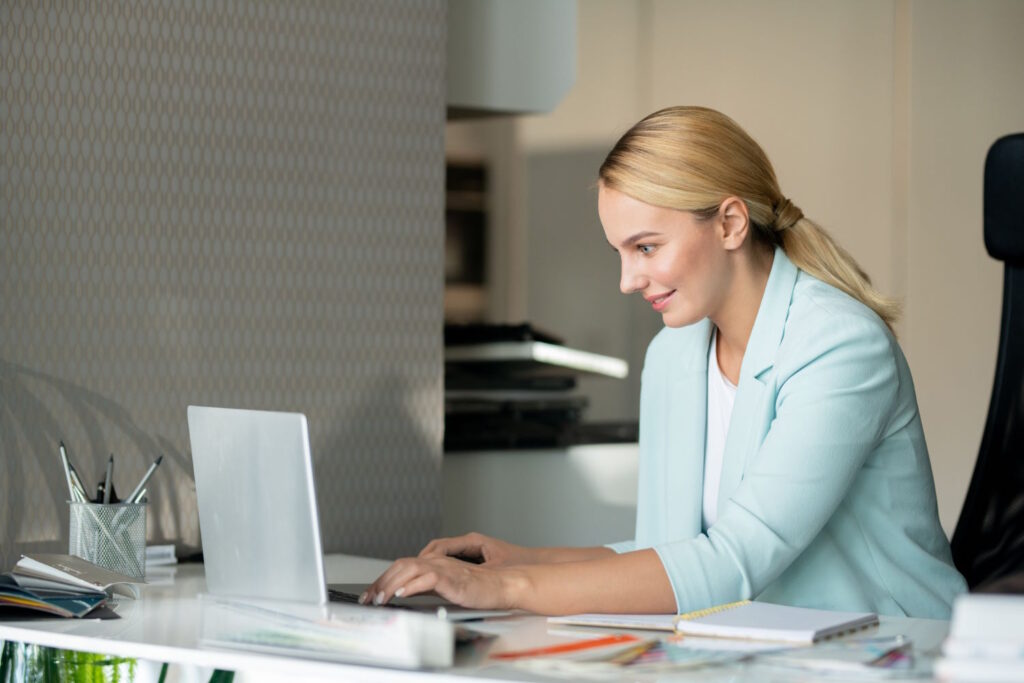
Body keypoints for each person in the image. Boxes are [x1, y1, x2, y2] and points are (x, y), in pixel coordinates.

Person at [364, 106, 967, 617]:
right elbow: (673, 551)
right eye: (620, 253)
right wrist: (518, 558)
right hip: (761, 648)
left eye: (646, 248)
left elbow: (733, 560)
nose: (628, 280)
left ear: (730, 223)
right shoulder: (674, 354)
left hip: (895, 648)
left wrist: (504, 589)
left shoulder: (838, 346)